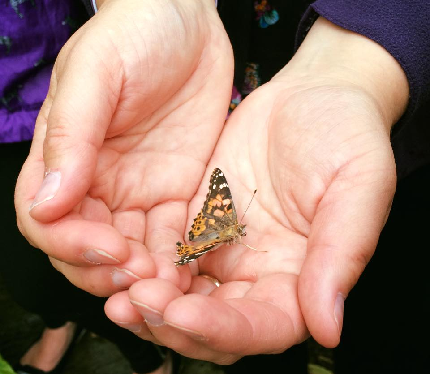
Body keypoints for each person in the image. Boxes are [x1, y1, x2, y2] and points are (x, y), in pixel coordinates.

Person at [13, 0, 430, 373]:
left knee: (387, 323)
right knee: (240, 334)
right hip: (192, 87)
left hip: (395, 116)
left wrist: (360, 63)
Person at [0, 1, 173, 373]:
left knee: (91, 254)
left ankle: (147, 354)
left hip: (58, 70)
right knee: (31, 275)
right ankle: (59, 323)